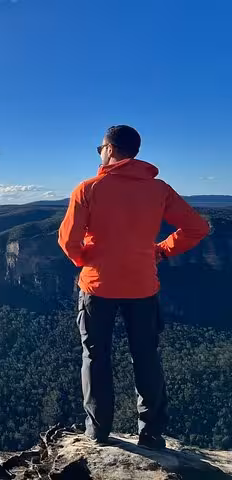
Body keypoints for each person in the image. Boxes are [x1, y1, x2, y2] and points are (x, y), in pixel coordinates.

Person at [58, 125, 210, 450]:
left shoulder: (88, 189)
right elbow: (197, 227)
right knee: (146, 357)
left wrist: (89, 257)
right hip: (142, 286)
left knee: (96, 357)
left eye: (100, 148)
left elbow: (68, 242)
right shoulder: (159, 190)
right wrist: (161, 249)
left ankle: (97, 430)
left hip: (97, 288)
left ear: (110, 150)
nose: (99, 152)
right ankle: (152, 434)